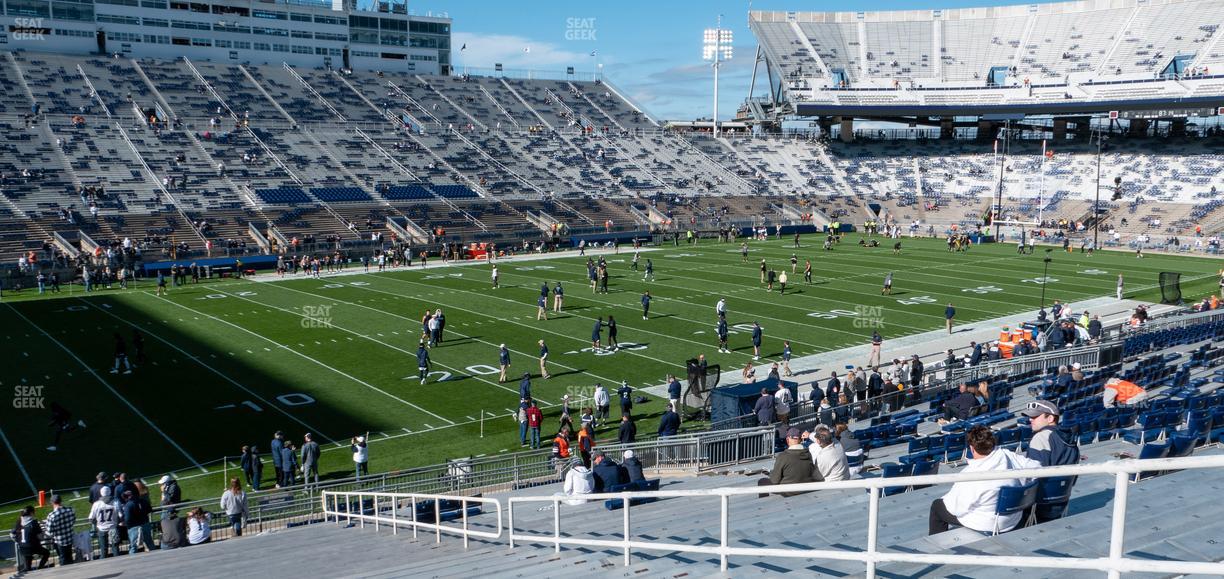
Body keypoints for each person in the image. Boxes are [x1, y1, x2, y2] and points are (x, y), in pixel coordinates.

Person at [929, 426, 1041, 535]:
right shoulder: (1006, 455)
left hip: (989, 524)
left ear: (972, 448)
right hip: (1013, 519)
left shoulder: (971, 474)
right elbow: (1036, 467)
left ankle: (934, 548)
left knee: (937, 506)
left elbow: (957, 508)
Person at [757, 428, 821, 497]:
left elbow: (775, 480)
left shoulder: (783, 456)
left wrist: (771, 474)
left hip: (790, 491)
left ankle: (763, 506)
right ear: (800, 439)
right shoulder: (808, 453)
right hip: (806, 488)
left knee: (762, 481)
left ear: (787, 440)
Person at [12, 505, 50, 572]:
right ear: (31, 513)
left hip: (23, 548)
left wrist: (19, 542)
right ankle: (40, 568)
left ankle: (27, 569)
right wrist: (42, 531)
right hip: (33, 547)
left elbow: (12, 534)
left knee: (27, 567)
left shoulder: (19, 521)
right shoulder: (34, 522)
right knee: (46, 553)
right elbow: (41, 537)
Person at [89, 486, 121, 559]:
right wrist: (117, 522)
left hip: (101, 528)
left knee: (103, 550)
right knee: (115, 548)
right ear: (110, 492)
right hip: (113, 528)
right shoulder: (115, 502)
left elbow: (91, 518)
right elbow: (121, 515)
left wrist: (97, 524)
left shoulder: (96, 504)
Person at [44, 495, 76, 566]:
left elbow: (49, 532)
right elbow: (73, 521)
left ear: (52, 503)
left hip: (59, 541)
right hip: (69, 539)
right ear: (61, 501)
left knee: (63, 559)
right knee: (69, 558)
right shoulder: (70, 510)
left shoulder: (51, 515)